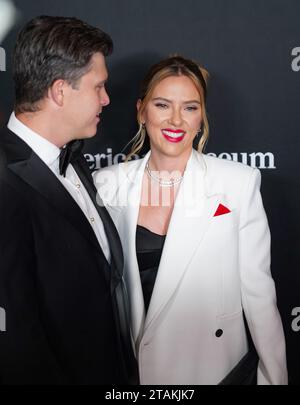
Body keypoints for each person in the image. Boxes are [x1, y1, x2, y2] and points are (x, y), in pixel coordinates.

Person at [94, 55, 288, 385]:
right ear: (142, 111)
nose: (176, 120)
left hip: (214, 371)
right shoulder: (106, 185)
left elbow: (259, 296)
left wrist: (274, 378)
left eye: (190, 108)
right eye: (162, 105)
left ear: (201, 117)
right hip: (135, 372)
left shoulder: (237, 182)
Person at [0, 15, 137, 385]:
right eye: (99, 87)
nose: (107, 99)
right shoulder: (5, 183)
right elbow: (15, 338)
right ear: (60, 92)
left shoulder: (73, 157)